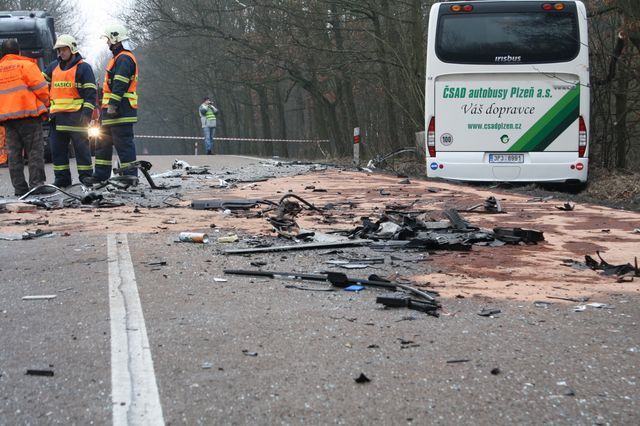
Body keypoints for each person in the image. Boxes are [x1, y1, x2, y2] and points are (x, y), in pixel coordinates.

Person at [0, 39, 54, 196]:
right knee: (34, 151)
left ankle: (19, 189)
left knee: (14, 154)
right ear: (18, 51)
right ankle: (36, 185)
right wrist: (47, 103)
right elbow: (41, 88)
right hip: (28, 116)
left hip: (8, 120)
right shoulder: (27, 66)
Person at [86, 24, 139, 184]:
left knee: (124, 145)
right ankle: (101, 175)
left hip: (120, 111)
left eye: (108, 40)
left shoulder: (124, 58)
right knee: (102, 144)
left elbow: (120, 83)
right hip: (110, 112)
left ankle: (130, 177)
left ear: (115, 39)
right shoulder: (118, 58)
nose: (107, 43)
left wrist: (113, 104)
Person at [43, 34, 97, 187]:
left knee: (82, 151)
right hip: (57, 119)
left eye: (64, 49)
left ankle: (86, 177)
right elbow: (39, 83)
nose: (61, 53)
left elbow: (91, 94)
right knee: (57, 151)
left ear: (72, 49)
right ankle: (62, 179)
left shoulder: (84, 68)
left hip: (77, 118)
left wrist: (86, 114)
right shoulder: (53, 67)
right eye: (59, 50)